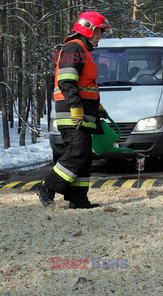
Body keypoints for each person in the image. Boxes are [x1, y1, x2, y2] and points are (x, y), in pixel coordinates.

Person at [37, 11, 111, 209]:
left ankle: (78, 199)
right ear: (88, 30)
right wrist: (77, 109)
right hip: (72, 113)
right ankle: (47, 187)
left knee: (84, 155)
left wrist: (97, 107)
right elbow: (67, 81)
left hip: (83, 111)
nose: (100, 37)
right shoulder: (74, 48)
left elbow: (85, 84)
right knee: (77, 152)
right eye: (99, 32)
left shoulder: (82, 50)